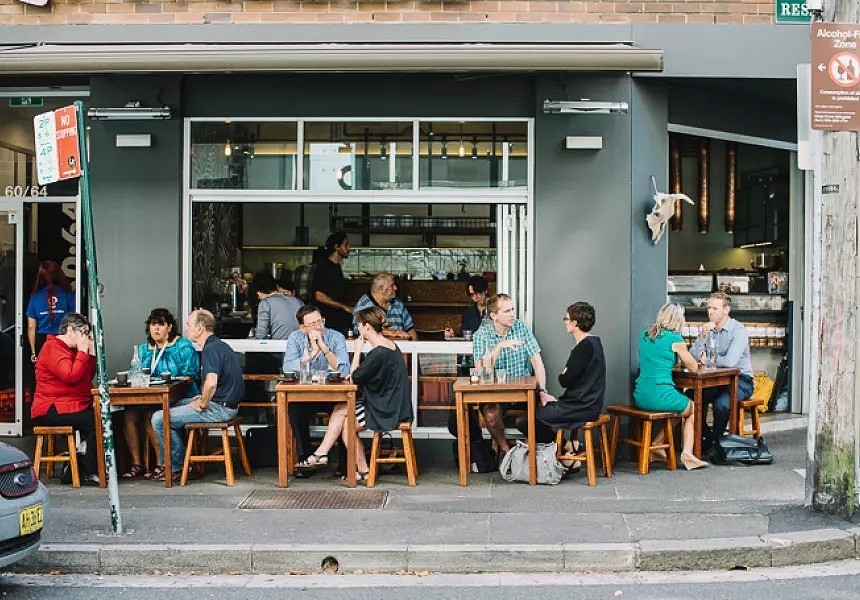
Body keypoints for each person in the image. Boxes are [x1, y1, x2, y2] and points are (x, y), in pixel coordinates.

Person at [308, 307, 413, 482]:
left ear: (367, 327)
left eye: (359, 325)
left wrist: (357, 350)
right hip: (393, 405)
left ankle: (324, 453)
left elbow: (354, 378)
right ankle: (355, 467)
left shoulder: (378, 352)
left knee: (345, 418)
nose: (358, 329)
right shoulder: (390, 346)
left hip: (385, 410)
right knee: (342, 410)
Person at [150, 310, 244, 481]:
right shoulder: (217, 345)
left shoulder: (210, 349)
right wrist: (201, 399)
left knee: (158, 418)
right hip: (223, 403)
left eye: (189, 325)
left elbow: (211, 383)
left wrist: (202, 404)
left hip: (220, 409)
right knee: (168, 407)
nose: (186, 329)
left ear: (200, 328)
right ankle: (179, 460)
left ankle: (177, 467)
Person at [515, 303, 605, 461]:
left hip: (579, 406)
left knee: (525, 421)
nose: (564, 322)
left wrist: (565, 373)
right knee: (537, 413)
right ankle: (568, 447)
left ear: (574, 323)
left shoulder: (583, 347)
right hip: (588, 404)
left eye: (566, 318)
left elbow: (564, 380)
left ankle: (565, 449)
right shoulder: (595, 342)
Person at [121, 309, 200, 480]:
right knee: (129, 415)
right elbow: (138, 373)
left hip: (179, 396)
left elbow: (190, 375)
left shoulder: (183, 346)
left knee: (152, 415)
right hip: (150, 395)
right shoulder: (143, 349)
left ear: (170, 327)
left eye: (161, 324)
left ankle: (162, 463)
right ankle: (137, 463)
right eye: (153, 324)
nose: (156, 329)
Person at [471, 293, 550, 456]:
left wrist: (542, 390)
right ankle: (507, 450)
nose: (512, 314)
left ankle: (534, 457)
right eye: (506, 311)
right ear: (494, 315)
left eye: (512, 309)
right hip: (496, 393)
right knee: (491, 416)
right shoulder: (481, 335)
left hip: (523, 391)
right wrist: (499, 347)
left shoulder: (521, 328)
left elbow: (537, 362)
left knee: (544, 413)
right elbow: (480, 371)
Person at [633, 303, 709, 471]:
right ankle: (687, 454)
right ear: (678, 320)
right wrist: (700, 361)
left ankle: (657, 445)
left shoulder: (645, 336)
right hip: (660, 395)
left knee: (681, 408)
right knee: (693, 408)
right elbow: (694, 368)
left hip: (641, 395)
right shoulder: (675, 339)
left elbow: (655, 360)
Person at [31, 313, 99, 486]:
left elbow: (87, 375)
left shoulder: (71, 350)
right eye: (84, 332)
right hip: (51, 408)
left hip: (71, 404)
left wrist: (89, 353)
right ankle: (88, 472)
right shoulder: (53, 348)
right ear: (70, 330)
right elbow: (71, 376)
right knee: (95, 421)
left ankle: (84, 465)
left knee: (106, 415)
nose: (86, 337)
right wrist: (83, 351)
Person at [282, 305, 350, 468]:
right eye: (312, 324)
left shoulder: (335, 337)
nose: (318, 326)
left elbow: (344, 370)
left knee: (343, 410)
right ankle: (305, 460)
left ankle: (343, 465)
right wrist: (311, 354)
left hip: (333, 393)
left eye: (320, 321)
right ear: (302, 327)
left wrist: (325, 350)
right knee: (295, 411)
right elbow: (288, 368)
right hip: (305, 393)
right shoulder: (295, 337)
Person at [688, 291, 754, 451]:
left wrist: (708, 361)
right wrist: (703, 336)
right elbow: (691, 356)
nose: (710, 312)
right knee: (690, 399)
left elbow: (731, 362)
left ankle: (716, 443)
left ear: (726, 310)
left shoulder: (738, 330)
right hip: (715, 380)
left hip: (741, 379)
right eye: (708, 308)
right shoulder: (708, 329)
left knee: (722, 404)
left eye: (715, 308)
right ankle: (709, 438)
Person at [26, 260, 75, 364]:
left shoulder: (35, 297)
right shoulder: (68, 295)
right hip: (63, 339)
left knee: (44, 375)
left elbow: (31, 327)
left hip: (43, 341)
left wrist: (34, 352)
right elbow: (74, 320)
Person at [352, 272, 418, 341]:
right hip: (375, 350)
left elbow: (410, 329)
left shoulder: (398, 304)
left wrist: (413, 348)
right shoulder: (364, 306)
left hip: (401, 350)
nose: (395, 288)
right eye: (392, 285)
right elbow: (361, 332)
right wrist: (395, 333)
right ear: (382, 288)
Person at [312, 232, 353, 335]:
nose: (349, 248)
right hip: (328, 320)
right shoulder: (324, 267)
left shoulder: (336, 267)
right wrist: (343, 306)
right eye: (346, 245)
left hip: (337, 320)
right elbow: (319, 296)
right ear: (337, 247)